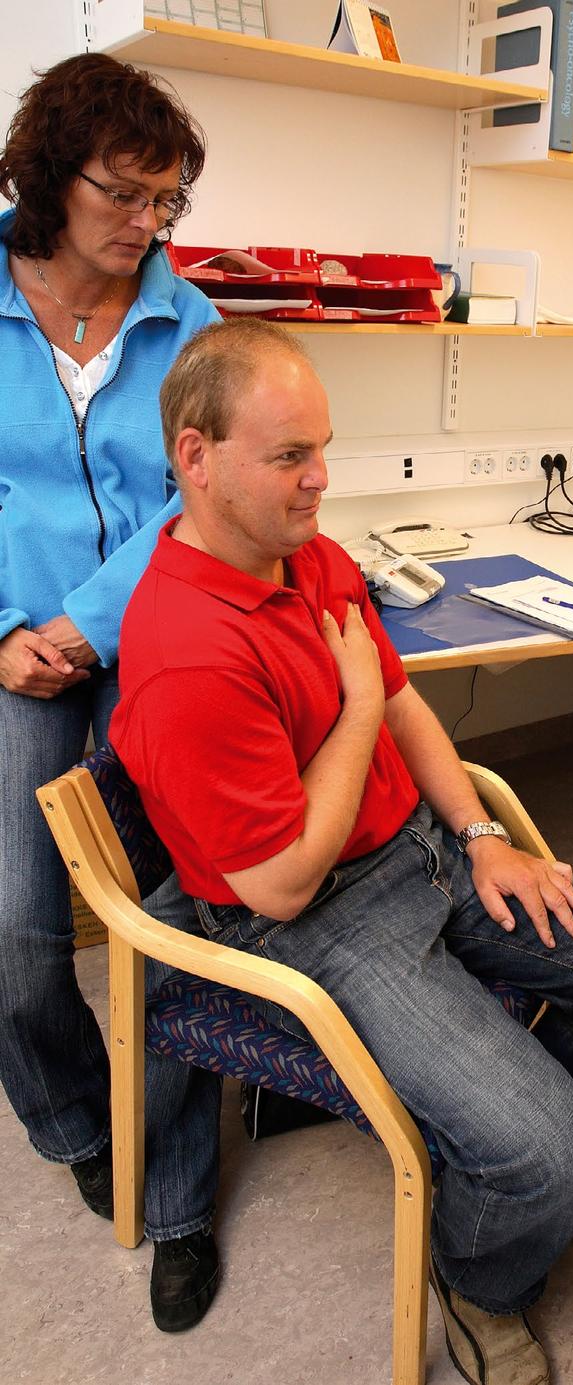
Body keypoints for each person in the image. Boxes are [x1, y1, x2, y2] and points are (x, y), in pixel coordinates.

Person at [108, 315, 573, 1385]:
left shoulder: (308, 553)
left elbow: (406, 701)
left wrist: (479, 835)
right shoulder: (185, 653)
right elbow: (282, 884)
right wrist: (353, 710)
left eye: (322, 448)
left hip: (421, 849)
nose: (320, 480)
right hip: (314, 916)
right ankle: (483, 1275)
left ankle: (504, 1176)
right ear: (194, 458)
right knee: (543, 1141)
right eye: (291, 456)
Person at [0, 53, 224, 1330]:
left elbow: (192, 496)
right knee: (20, 935)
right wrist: (5, 638)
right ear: (48, 174)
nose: (149, 225)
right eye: (128, 194)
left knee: (183, 910)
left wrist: (88, 627)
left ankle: (182, 1197)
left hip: (147, 642)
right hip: (13, 650)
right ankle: (76, 1118)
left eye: (169, 200)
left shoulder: (185, 324)